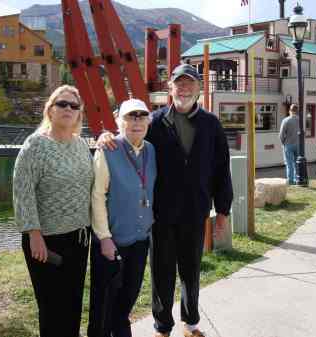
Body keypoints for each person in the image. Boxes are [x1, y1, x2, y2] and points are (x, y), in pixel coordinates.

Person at [98, 63, 233, 337]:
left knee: (191, 269)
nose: (184, 88)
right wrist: (106, 136)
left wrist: (223, 211)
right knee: (161, 272)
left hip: (195, 211)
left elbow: (222, 168)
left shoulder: (211, 124)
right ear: (169, 88)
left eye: (190, 83)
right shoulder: (155, 122)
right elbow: (130, 139)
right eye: (178, 83)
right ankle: (162, 326)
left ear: (199, 89)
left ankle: (191, 323)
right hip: (160, 214)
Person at [13, 85, 93, 337]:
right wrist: (33, 234)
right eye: (62, 104)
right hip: (46, 241)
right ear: (50, 109)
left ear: (79, 114)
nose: (68, 109)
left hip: (79, 238)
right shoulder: (35, 145)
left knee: (72, 305)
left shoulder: (81, 145)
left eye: (73, 106)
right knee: (51, 308)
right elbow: (22, 192)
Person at [88, 98, 157, 337]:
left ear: (148, 121)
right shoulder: (108, 149)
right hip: (112, 242)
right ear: (120, 121)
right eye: (130, 116)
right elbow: (97, 196)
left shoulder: (151, 149)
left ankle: (120, 331)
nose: (136, 121)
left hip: (139, 239)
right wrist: (104, 238)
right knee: (104, 303)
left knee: (128, 296)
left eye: (141, 116)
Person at [279, 104, 300, 185]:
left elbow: (281, 134)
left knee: (289, 163)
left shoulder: (286, 120)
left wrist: (283, 142)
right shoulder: (300, 120)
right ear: (297, 111)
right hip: (298, 144)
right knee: (297, 163)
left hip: (288, 144)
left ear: (290, 111)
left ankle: (291, 181)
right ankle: (297, 179)